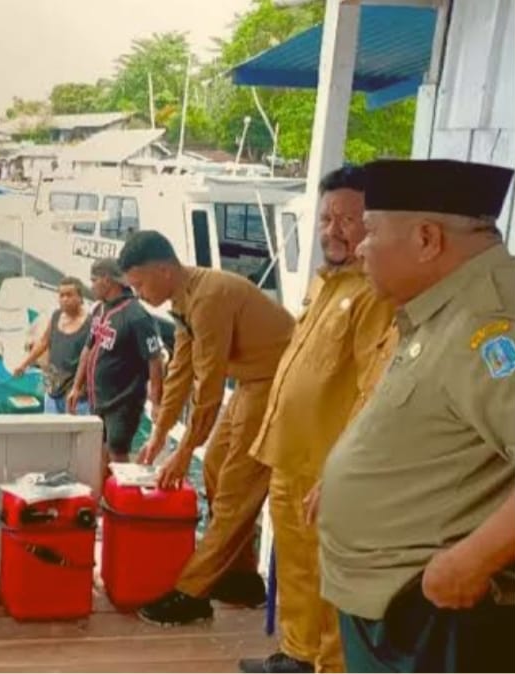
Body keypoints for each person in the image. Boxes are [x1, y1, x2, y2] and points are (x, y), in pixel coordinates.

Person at [316, 158, 515, 673]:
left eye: (371, 230)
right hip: (395, 599)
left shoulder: (491, 323)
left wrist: (472, 561)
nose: (360, 246)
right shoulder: (444, 306)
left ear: (427, 239)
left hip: (432, 610)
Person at [237, 166, 394, 674]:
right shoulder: (324, 284)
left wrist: (342, 469)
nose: (334, 230)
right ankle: (297, 655)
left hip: (327, 468)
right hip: (290, 456)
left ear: (375, 224)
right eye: (327, 218)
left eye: (348, 219)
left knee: (328, 581)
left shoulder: (375, 294)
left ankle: (327, 666)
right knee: (297, 570)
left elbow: (374, 388)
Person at [118, 231, 294, 625]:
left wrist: (183, 453)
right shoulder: (184, 299)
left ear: (164, 271)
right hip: (252, 382)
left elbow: (209, 388)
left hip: (279, 385)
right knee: (214, 466)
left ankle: (192, 593)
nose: (139, 294)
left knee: (236, 490)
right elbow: (181, 370)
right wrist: (160, 433)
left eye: (140, 284)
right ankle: (242, 578)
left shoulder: (209, 298)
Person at [66, 258, 165, 490]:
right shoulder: (99, 309)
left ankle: (125, 501)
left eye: (93, 280)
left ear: (107, 280)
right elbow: (88, 348)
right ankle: (103, 499)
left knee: (117, 454)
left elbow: (155, 359)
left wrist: (157, 402)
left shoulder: (136, 316)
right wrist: (77, 386)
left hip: (123, 401)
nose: (91, 285)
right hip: (98, 399)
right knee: (100, 452)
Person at [13, 276, 90, 414]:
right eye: (61, 295)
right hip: (52, 391)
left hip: (76, 396)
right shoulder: (56, 316)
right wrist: (24, 364)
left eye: (69, 295)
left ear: (80, 298)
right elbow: (43, 342)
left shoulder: (90, 323)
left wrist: (80, 387)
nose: (64, 299)